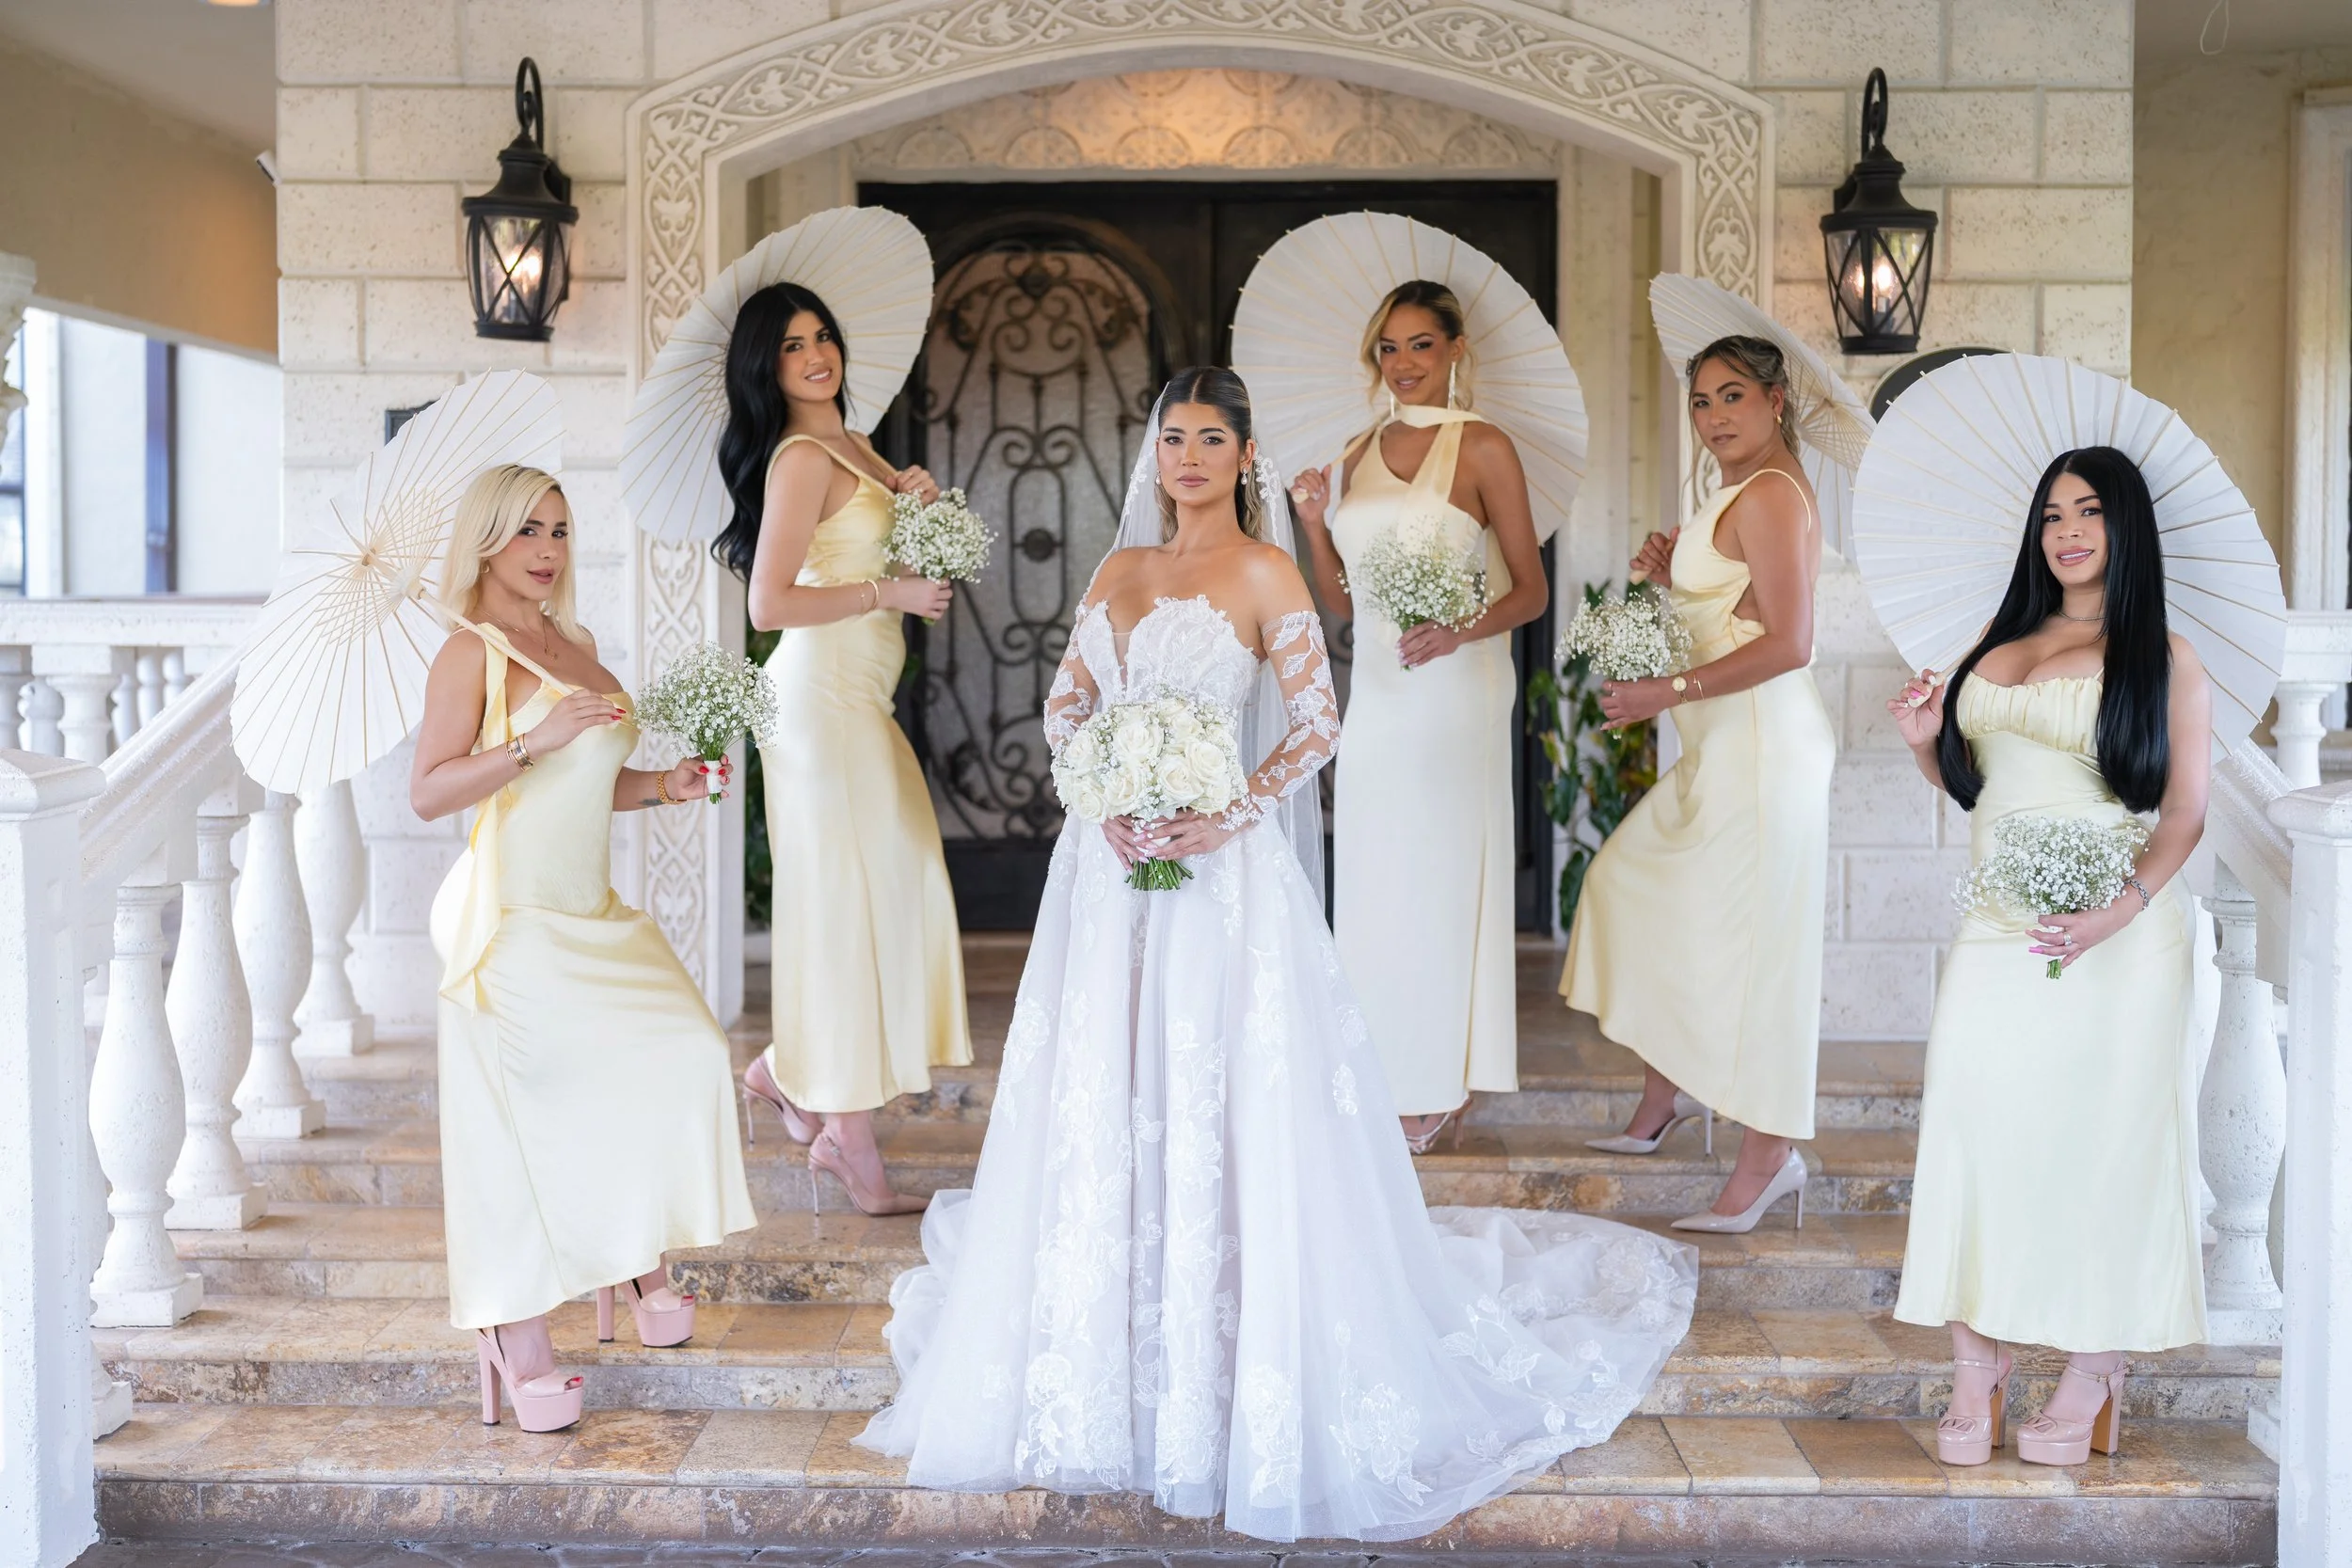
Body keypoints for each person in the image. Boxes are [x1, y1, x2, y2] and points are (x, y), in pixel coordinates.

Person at [856, 368, 1696, 1543]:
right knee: (1116, 1088)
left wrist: (1224, 809)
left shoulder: (1264, 573)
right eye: (1172, 437)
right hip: (1111, 877)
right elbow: (1066, 703)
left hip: (1221, 874)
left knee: (1220, 1088)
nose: (1188, 456)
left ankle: (1233, 1332)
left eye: (1210, 438)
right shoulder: (1118, 572)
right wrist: (1099, 795)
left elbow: (1316, 723)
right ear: (1152, 456)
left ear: (1245, 458)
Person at [414, 464, 757, 1432]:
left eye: (561, 530)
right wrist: (533, 739)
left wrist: (666, 784)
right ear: (486, 538)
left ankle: (634, 1255)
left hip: (593, 911)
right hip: (511, 918)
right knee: (525, 1119)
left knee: (685, 1052)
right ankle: (516, 1330)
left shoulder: (577, 643)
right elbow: (430, 790)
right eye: (528, 529)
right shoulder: (466, 653)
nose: (548, 549)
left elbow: (593, 783)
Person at [1887, 447, 2211, 1467]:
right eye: (2050, 514)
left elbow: (2185, 813)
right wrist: (1922, 741)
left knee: (2101, 1145)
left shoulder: (2164, 653)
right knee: (1969, 1127)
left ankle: (2092, 1365)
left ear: (2123, 526)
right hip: (1999, 924)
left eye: (2087, 511)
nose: (2065, 530)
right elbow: (1981, 790)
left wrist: (2118, 908)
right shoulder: (2000, 635)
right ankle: (1975, 1366)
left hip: (2117, 935)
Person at [1559, 335, 1837, 1232]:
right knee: (1638, 894)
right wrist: (1671, 570)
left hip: (1763, 753)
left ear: (1776, 399)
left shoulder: (1770, 494)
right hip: (1721, 751)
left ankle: (1768, 1153)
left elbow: (1791, 643)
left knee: (1760, 954)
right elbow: (1733, 612)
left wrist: (1657, 691)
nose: (1715, 417)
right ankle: (1668, 1091)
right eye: (1701, 402)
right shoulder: (1742, 494)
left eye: (1732, 397)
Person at [713, 280, 973, 1216]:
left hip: (859, 696)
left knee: (894, 882)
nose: (815, 354)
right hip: (817, 700)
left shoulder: (854, 446)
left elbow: (904, 578)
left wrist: (920, 515)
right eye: (791, 345)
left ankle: (790, 1069)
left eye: (822, 335)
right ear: (765, 366)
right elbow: (769, 603)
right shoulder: (796, 458)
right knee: (842, 902)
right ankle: (850, 1138)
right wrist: (885, 595)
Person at [1289, 280, 1549, 1154]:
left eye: (1420, 346)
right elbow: (1338, 598)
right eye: (1388, 350)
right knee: (1373, 875)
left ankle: (1439, 1081)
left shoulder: (1483, 446)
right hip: (1382, 697)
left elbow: (1531, 588)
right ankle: (1380, 1067)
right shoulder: (1357, 450)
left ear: (1455, 350)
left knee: (1439, 875)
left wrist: (1459, 629)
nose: (1403, 365)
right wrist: (1313, 522)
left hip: (1456, 689)